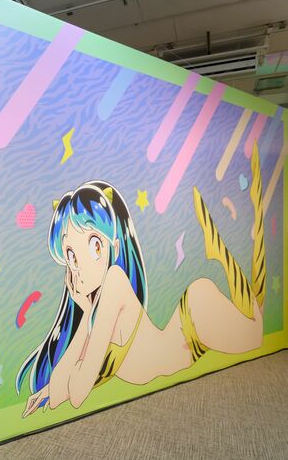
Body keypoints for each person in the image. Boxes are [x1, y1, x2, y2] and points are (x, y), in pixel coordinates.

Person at [18, 146, 266, 417]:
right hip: (184, 337)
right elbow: (60, 392)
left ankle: (221, 251)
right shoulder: (95, 309)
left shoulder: (114, 282)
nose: (80, 265)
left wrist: (87, 316)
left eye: (95, 246)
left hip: (194, 322)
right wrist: (85, 314)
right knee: (252, 329)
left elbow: (77, 395)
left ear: (113, 246)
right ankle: (218, 252)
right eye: (71, 255)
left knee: (255, 333)